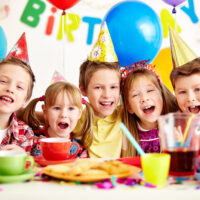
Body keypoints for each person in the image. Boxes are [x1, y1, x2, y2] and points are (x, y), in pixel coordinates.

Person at [73, 22, 123, 158]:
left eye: (113, 87)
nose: (107, 95)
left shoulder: (125, 115)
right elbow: (48, 116)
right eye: (98, 87)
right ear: (83, 89)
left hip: (119, 176)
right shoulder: (77, 117)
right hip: (88, 175)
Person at [121, 60, 179, 157]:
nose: (144, 98)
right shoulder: (127, 134)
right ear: (129, 107)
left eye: (150, 90)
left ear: (162, 94)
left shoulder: (177, 125)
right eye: (135, 95)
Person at [23, 81, 90, 158]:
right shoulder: (31, 140)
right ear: (45, 111)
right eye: (57, 108)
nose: (63, 115)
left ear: (79, 113)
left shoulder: (80, 149)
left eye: (71, 108)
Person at [0, 33, 35, 153]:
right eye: (3, 81)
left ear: (25, 100)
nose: (10, 89)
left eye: (19, 87)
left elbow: (29, 170)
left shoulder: (25, 133)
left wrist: (23, 157)